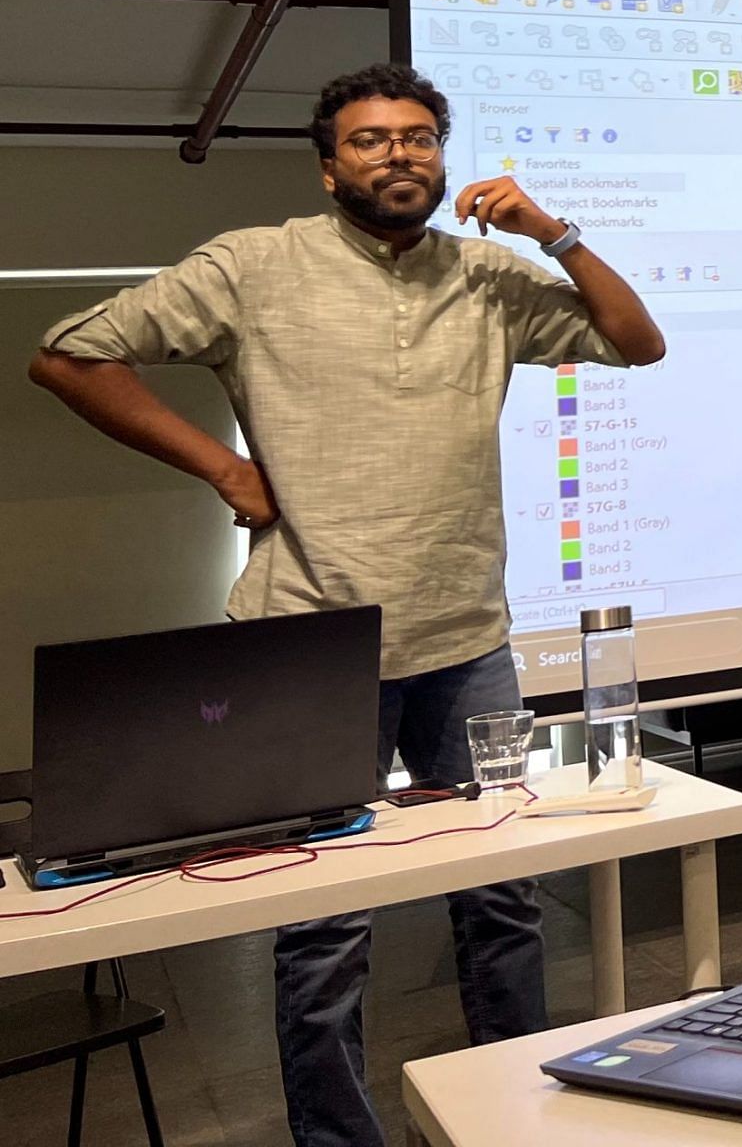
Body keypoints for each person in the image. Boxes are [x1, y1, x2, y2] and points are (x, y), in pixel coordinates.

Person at [29, 62, 665, 1147]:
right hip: (310, 645)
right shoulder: (254, 266)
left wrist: (551, 233)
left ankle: (510, 1118)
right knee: (323, 926)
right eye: (371, 141)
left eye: (418, 137)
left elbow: (634, 340)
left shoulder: (487, 276)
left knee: (504, 900)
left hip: (467, 635)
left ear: (443, 157)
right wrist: (225, 474)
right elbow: (71, 356)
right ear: (330, 169)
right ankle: (340, 1139)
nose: (398, 155)